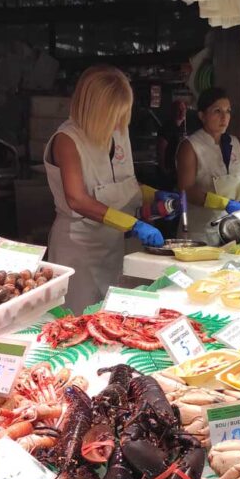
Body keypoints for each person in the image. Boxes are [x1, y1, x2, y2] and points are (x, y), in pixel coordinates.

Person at [44, 66, 179, 313]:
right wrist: (132, 224)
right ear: (95, 109)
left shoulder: (119, 132)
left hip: (114, 246)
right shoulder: (67, 139)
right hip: (79, 249)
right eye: (114, 114)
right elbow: (77, 200)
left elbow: (124, 184)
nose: (119, 121)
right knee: (78, 320)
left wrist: (155, 196)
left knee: (115, 317)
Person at [176, 86, 240, 242]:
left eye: (228, 111)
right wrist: (224, 203)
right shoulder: (190, 146)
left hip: (232, 229)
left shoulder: (234, 142)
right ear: (202, 116)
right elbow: (187, 190)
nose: (224, 117)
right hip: (200, 232)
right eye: (217, 111)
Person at [156, 100, 188, 189]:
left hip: (177, 171)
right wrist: (164, 169)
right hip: (169, 172)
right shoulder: (168, 128)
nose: (182, 112)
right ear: (173, 111)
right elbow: (161, 149)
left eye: (184, 109)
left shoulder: (181, 128)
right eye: (179, 109)